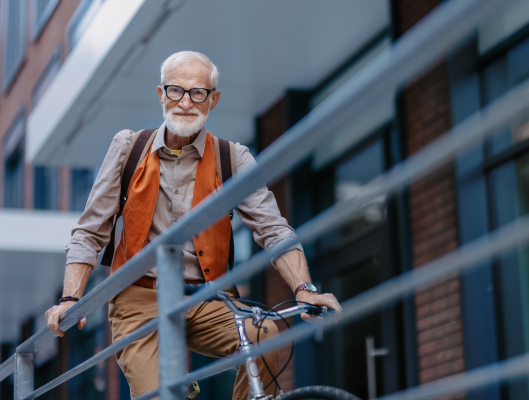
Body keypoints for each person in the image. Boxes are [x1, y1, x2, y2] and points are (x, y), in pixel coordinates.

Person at [45, 51, 342, 400]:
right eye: (176, 91)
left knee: (264, 333)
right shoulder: (129, 147)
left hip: (207, 297)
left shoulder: (233, 158)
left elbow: (273, 229)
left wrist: (304, 289)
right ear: (161, 94)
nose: (185, 102)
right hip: (139, 297)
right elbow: (91, 230)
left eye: (197, 93)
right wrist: (70, 298)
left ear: (213, 100)